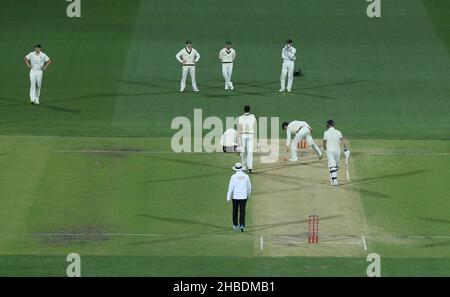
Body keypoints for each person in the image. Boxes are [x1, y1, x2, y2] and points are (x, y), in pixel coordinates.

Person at [323, 120, 350, 186]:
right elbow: (342, 141)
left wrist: (324, 149)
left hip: (330, 151)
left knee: (333, 166)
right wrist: (346, 148)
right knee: (335, 166)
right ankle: (334, 180)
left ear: (328, 125)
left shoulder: (326, 133)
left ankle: (333, 179)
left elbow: (324, 142)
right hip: (337, 151)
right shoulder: (338, 132)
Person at [226, 162, 252, 232]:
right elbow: (249, 186)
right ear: (241, 169)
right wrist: (248, 194)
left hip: (236, 197)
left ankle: (235, 225)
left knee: (235, 211)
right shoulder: (246, 176)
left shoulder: (233, 177)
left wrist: (228, 198)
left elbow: (230, 188)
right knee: (242, 211)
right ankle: (242, 226)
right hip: (243, 197)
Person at [238, 105, 256, 173]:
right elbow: (254, 124)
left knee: (243, 151)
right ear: (250, 110)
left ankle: (243, 166)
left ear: (244, 110)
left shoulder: (240, 117)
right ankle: (250, 167)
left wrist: (238, 136)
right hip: (251, 134)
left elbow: (240, 127)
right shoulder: (253, 116)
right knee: (250, 151)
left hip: (243, 134)